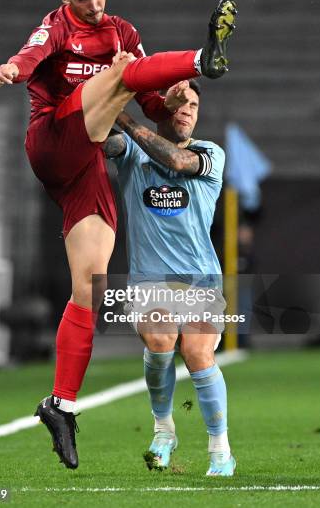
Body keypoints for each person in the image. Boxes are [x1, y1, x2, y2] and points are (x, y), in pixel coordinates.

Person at [0, 0, 237, 470]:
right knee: (125, 71)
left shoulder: (122, 32)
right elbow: (33, 53)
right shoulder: (57, 26)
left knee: (89, 287)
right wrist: (13, 67)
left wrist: (166, 101)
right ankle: (202, 59)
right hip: (55, 139)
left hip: (88, 170)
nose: (97, 6)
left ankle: (61, 404)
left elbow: (148, 101)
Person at [103, 79, 236, 476]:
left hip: (201, 281)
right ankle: (164, 430)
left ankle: (220, 450)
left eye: (194, 103)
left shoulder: (209, 153)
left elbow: (176, 163)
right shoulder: (129, 153)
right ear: (159, 107)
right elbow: (101, 141)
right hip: (150, 280)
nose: (188, 108)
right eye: (180, 101)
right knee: (161, 342)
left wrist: (125, 117)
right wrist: (104, 96)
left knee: (197, 355)